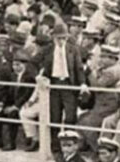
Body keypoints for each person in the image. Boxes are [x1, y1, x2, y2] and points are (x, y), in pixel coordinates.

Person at [36, 23, 84, 152]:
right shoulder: (47, 50)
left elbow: (79, 68)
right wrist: (38, 76)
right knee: (54, 117)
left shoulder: (73, 49)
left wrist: (82, 84)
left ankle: (70, 145)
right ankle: (55, 147)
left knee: (70, 117)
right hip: (54, 85)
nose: (62, 41)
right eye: (59, 38)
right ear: (53, 38)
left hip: (68, 85)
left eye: (64, 38)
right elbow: (32, 63)